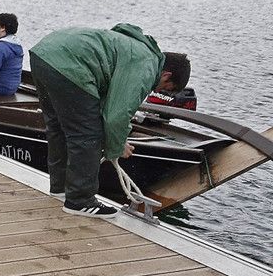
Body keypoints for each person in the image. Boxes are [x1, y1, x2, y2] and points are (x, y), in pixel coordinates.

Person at [31, 25, 190, 218]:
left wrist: (116, 137)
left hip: (44, 53)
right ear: (167, 75)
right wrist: (117, 147)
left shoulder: (134, 47)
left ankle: (60, 187)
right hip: (70, 65)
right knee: (87, 134)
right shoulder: (146, 65)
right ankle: (80, 200)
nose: (157, 91)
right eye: (165, 87)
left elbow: (105, 103)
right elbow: (116, 115)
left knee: (59, 127)